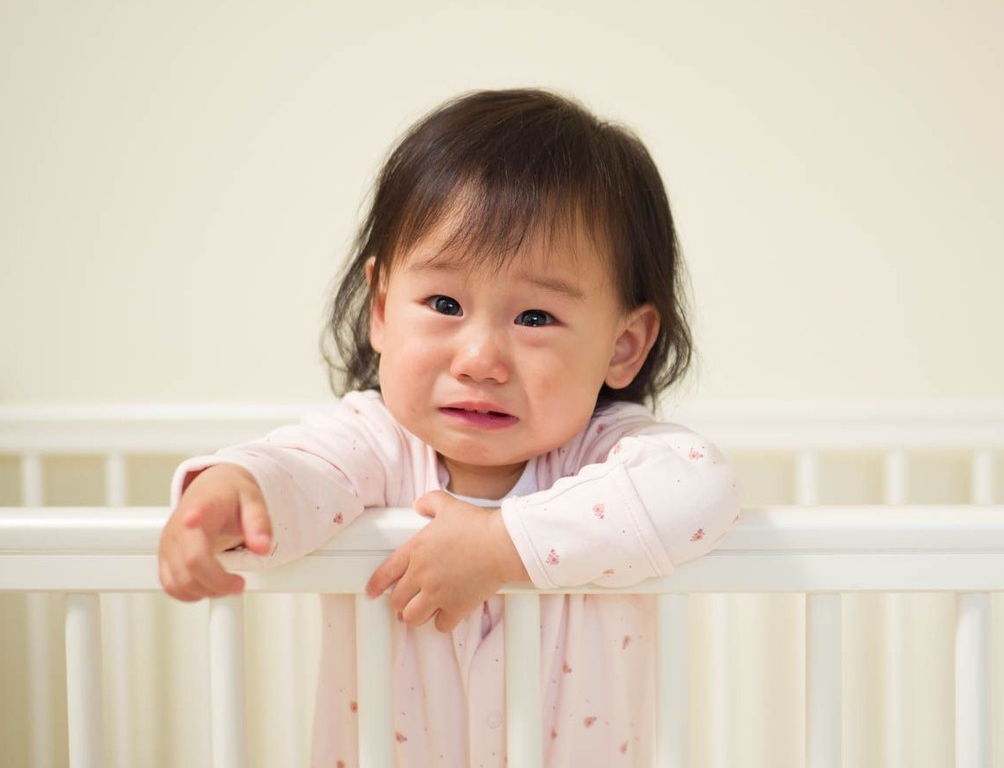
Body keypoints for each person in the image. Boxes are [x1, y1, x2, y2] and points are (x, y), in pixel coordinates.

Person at [156, 88, 740, 768]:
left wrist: (502, 545)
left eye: (534, 318)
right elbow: (298, 471)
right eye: (444, 303)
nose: (481, 360)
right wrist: (233, 490)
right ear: (380, 309)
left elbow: (702, 485)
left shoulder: (609, 457)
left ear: (622, 346)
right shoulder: (373, 444)